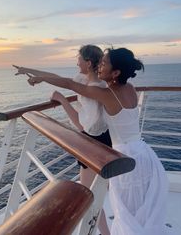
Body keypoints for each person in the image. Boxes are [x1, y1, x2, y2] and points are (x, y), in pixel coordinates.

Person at [14, 47, 168, 235]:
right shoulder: (130, 88)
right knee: (138, 213)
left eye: (104, 64)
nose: (100, 67)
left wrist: (42, 79)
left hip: (125, 156)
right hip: (143, 154)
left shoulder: (106, 94)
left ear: (116, 72)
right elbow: (71, 82)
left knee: (126, 212)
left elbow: (69, 84)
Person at [13, 44, 112, 235]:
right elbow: (61, 79)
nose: (76, 62)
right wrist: (29, 71)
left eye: (78, 58)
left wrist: (62, 99)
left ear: (88, 62)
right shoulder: (93, 81)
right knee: (99, 192)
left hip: (93, 145)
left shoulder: (92, 89)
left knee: (89, 195)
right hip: (104, 142)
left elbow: (84, 126)